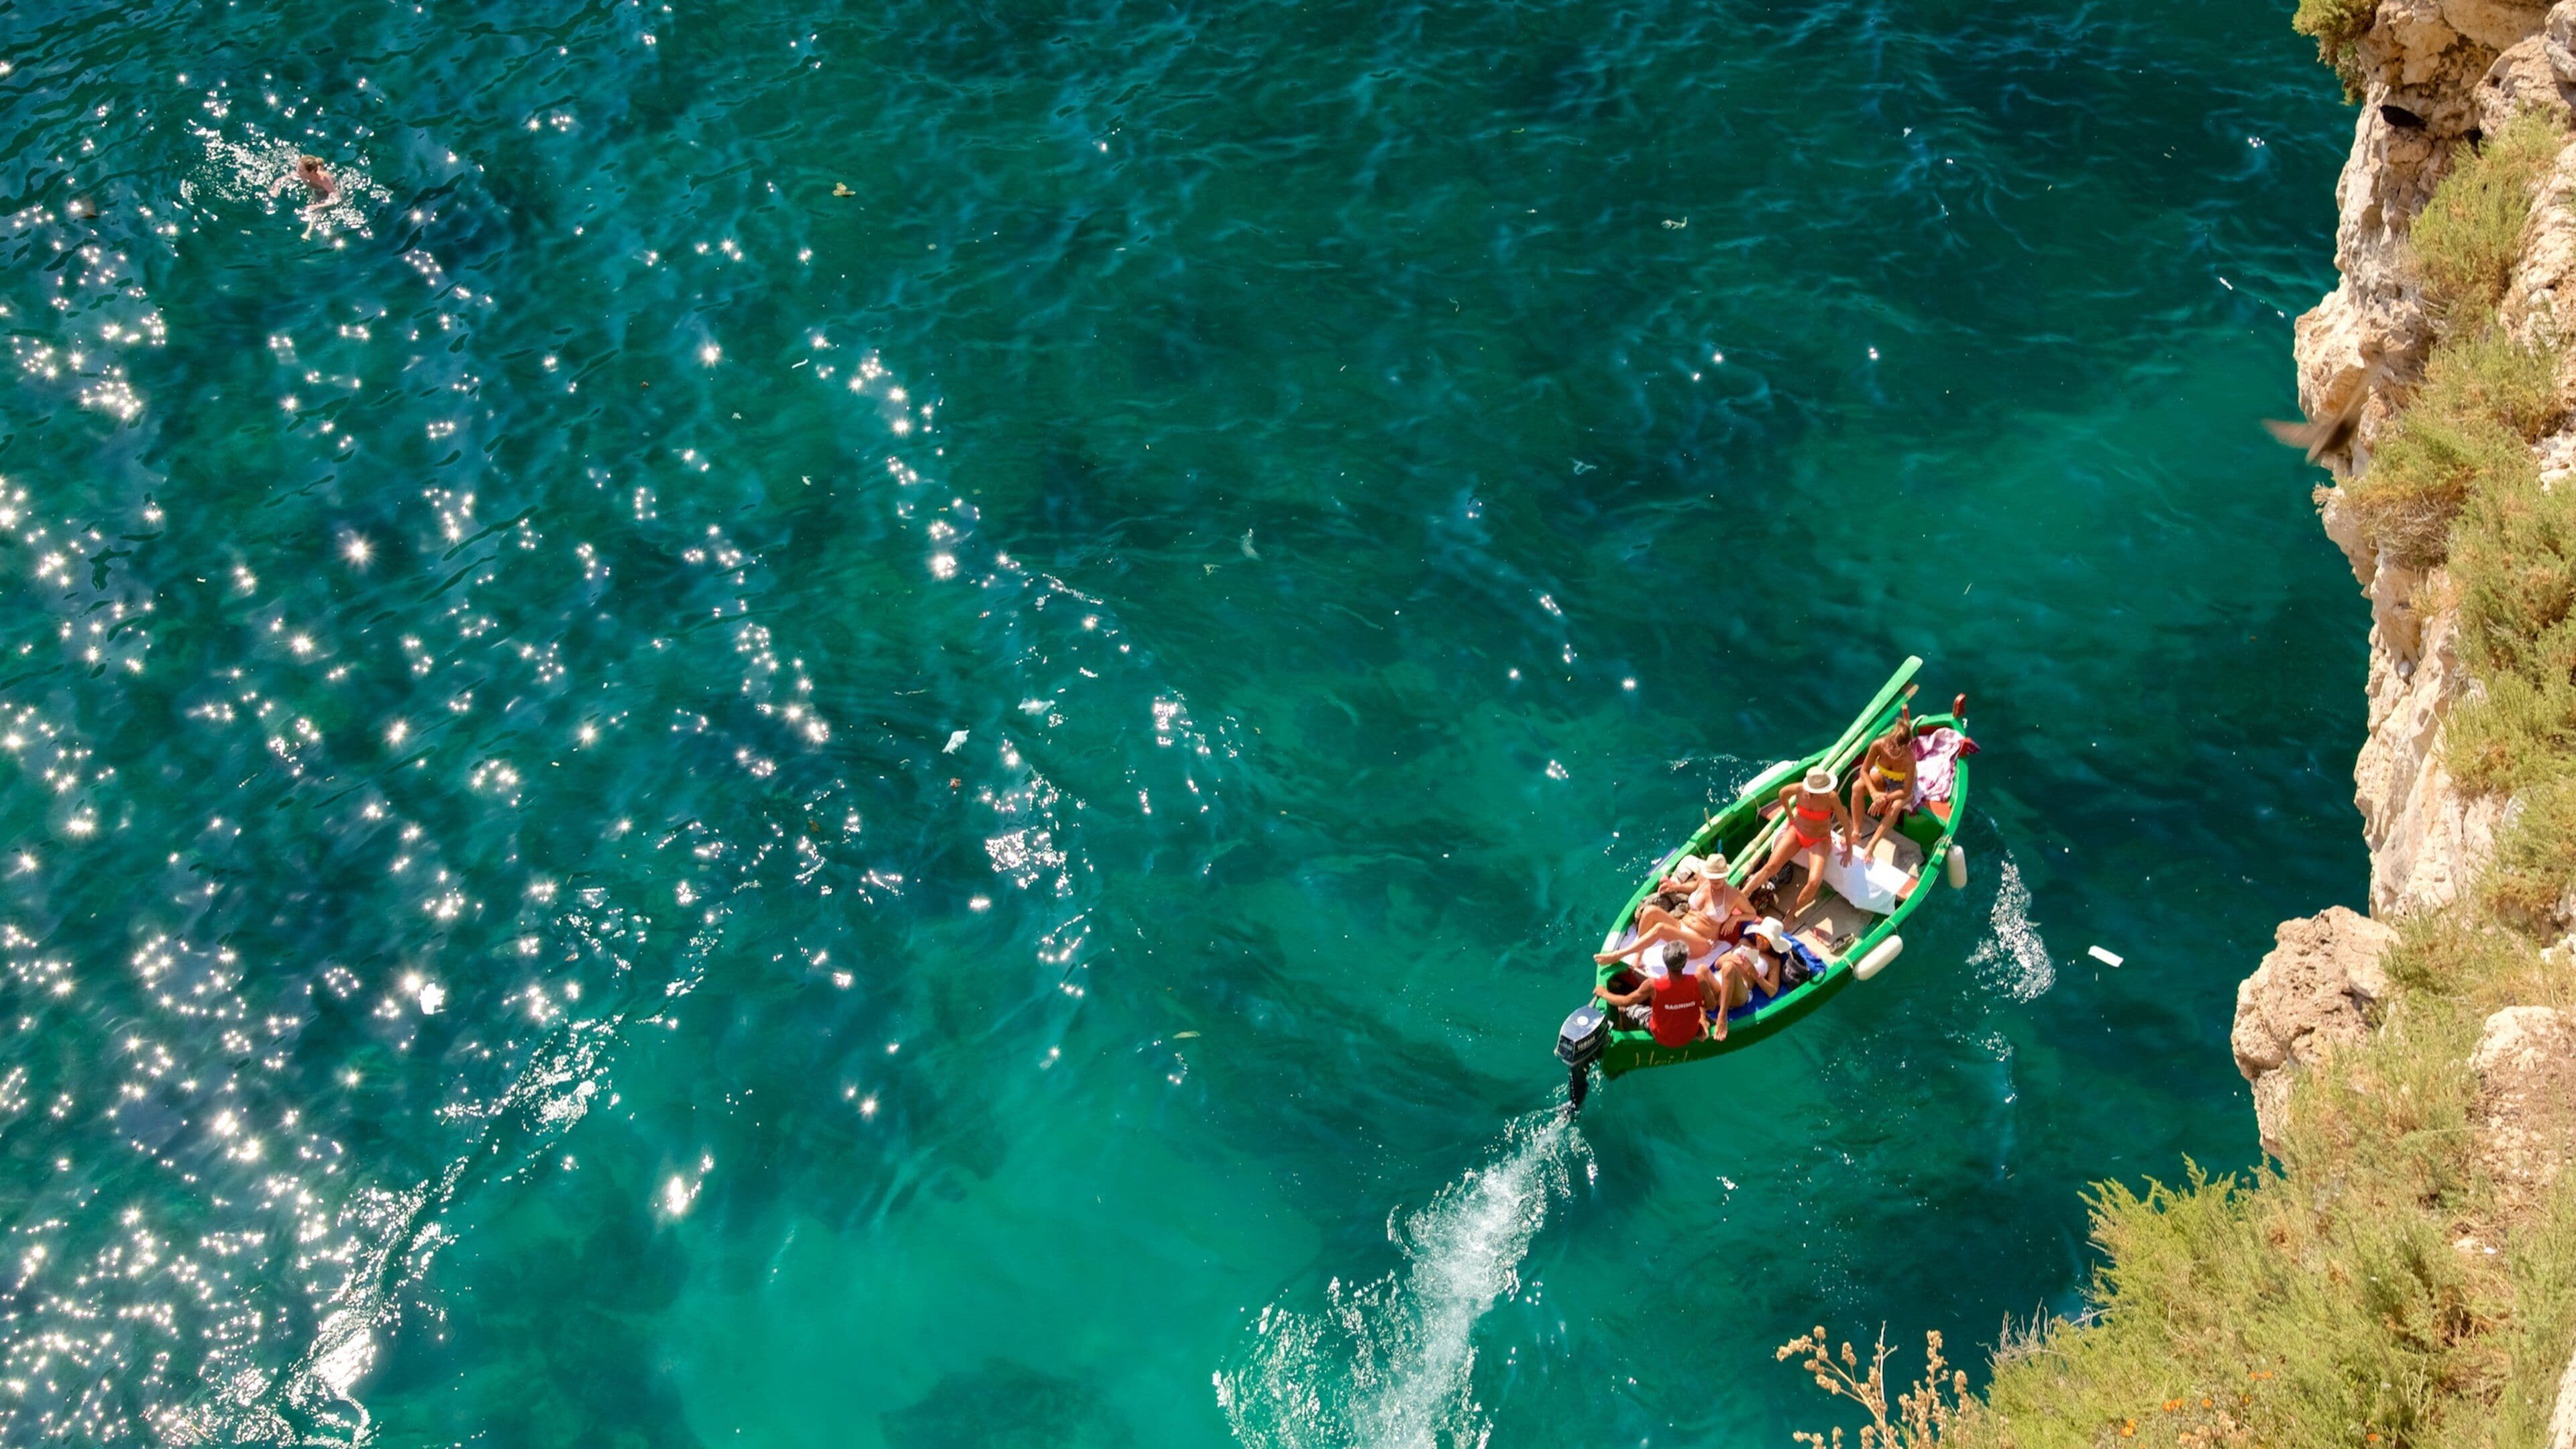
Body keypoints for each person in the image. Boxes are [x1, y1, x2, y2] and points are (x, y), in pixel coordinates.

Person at [1594, 855, 1756, 967]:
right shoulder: (1704, 878)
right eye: (1712, 878)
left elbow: (1752, 914)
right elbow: (1694, 886)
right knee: (1650, 911)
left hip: (1702, 942)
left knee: (1661, 929)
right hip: (1681, 926)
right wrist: (1675, 887)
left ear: (1725, 876)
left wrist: (1734, 919)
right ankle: (1639, 956)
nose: (1714, 882)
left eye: (1718, 879)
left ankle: (1619, 955)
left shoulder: (1734, 896)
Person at [1741, 767, 1853, 914]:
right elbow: (1782, 794)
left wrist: (1849, 849)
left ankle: (1792, 913)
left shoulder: (1831, 797)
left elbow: (1845, 822)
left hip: (1819, 839)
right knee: (1770, 867)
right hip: (1797, 832)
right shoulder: (1799, 789)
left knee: (1814, 882)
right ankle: (1743, 895)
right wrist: (1790, 816)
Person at [1595, 941, 1715, 1046]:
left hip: (1661, 1036)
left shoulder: (1653, 985)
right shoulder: (1699, 981)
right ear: (1684, 964)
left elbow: (1626, 1001)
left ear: (1665, 962)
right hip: (1690, 1035)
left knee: (1625, 1008)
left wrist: (1604, 993)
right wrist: (1698, 1012)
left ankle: (1624, 1026)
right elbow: (1712, 1005)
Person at [1849, 708, 1919, 859]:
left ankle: (1871, 846)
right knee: (1857, 787)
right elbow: (1864, 771)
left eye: (1896, 748)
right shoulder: (1879, 745)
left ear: (1905, 747)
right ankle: (1856, 832)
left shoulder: (1909, 760)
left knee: (1895, 807)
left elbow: (1906, 792)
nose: (1891, 749)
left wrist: (1885, 798)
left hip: (1902, 788)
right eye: (1891, 744)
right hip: (1883, 777)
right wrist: (1874, 794)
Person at [270, 155, 339, 209]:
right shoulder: (301, 174)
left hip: (327, 191)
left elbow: (337, 199)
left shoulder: (324, 179)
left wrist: (317, 206)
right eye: (298, 169)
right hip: (315, 189)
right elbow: (280, 180)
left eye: (301, 171)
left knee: (315, 212)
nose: (298, 172)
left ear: (311, 172)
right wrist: (276, 189)